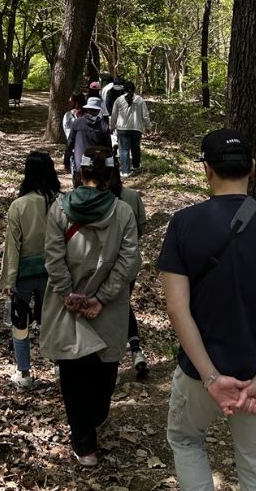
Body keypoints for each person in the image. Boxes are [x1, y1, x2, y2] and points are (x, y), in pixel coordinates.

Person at [157, 129, 256, 491]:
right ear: (253, 168)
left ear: (206, 169)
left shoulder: (183, 224)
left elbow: (177, 309)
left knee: (186, 440)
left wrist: (211, 377)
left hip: (199, 373)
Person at [40, 147, 140, 467]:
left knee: (73, 374)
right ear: (110, 175)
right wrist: (101, 298)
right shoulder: (122, 212)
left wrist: (69, 295)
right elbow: (129, 262)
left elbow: (52, 257)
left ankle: (84, 445)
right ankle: (92, 424)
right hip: (108, 309)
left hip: (66, 308)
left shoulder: (59, 209)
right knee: (104, 371)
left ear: (80, 173)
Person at [0, 152, 61, 389]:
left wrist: (9, 280)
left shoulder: (19, 206)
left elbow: (12, 247)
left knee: (20, 321)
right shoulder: (59, 202)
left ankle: (24, 372)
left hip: (24, 273)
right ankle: (60, 366)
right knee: (54, 320)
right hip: (53, 272)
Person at [109, 156, 149, 377]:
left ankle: (112, 359)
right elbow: (141, 227)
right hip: (130, 262)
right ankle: (136, 351)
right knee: (123, 303)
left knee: (110, 308)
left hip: (105, 264)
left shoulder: (98, 200)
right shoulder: (132, 196)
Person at [64, 96, 111, 186]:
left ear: (87, 109)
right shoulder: (103, 126)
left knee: (78, 186)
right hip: (97, 164)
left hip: (79, 164)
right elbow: (108, 148)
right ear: (99, 110)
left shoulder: (77, 123)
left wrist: (66, 161)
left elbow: (70, 143)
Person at [110, 81, 151, 178]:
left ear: (123, 89)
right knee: (135, 148)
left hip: (122, 129)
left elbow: (114, 115)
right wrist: (148, 126)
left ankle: (125, 171)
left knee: (124, 150)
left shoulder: (119, 100)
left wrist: (111, 126)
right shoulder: (140, 100)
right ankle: (136, 166)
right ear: (134, 89)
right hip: (136, 128)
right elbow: (145, 115)